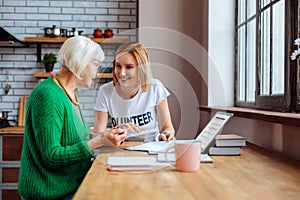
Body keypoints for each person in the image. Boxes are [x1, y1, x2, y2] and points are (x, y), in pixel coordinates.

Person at [18, 36, 126, 200]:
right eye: (96, 64)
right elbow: (51, 156)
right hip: (50, 192)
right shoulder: (49, 95)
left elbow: (73, 140)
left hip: (71, 186)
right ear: (81, 63)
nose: (98, 72)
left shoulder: (69, 93)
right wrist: (99, 141)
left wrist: (106, 136)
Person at [94, 42, 175, 142]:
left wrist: (166, 134)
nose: (122, 73)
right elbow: (97, 136)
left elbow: (167, 127)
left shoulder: (155, 88)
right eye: (118, 66)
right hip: (119, 149)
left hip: (150, 148)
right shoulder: (105, 91)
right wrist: (116, 130)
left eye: (129, 67)